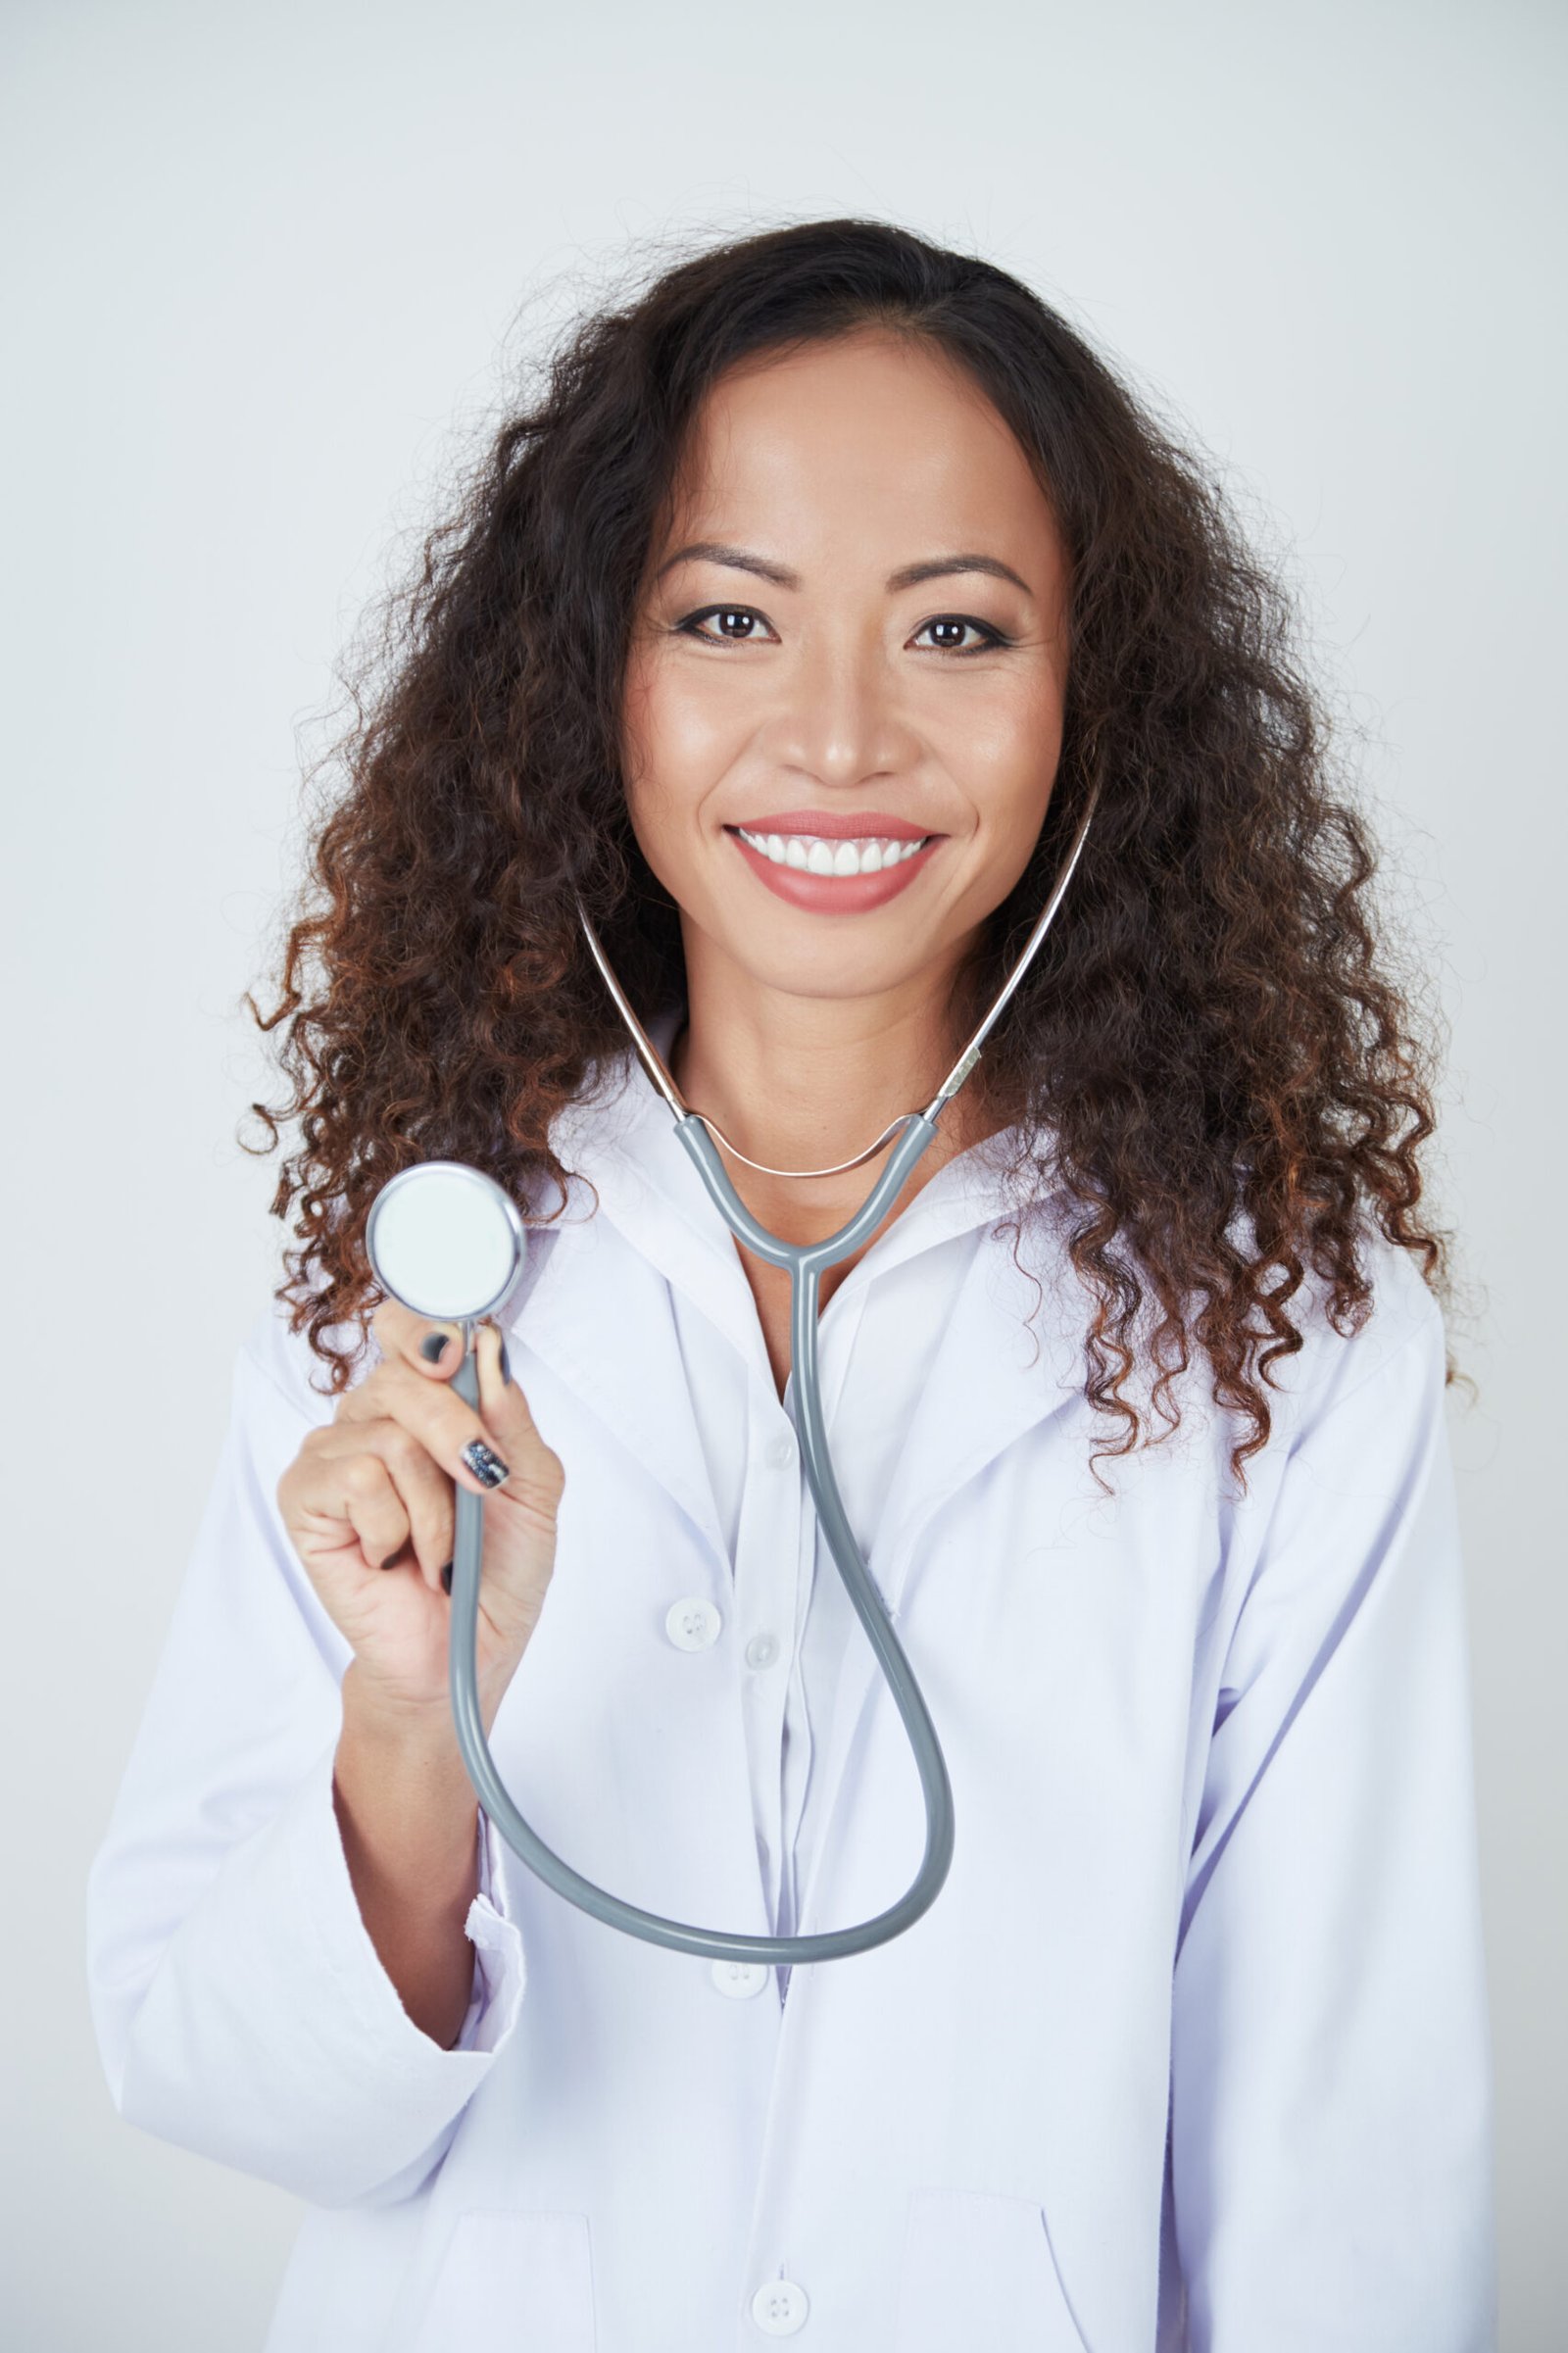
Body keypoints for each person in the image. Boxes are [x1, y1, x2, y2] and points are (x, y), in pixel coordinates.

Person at [85, 219, 1494, 2352]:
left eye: (954, 628)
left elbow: (1338, 2169)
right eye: (726, 614)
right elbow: (218, 2074)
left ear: (1084, 700)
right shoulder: (417, 1291)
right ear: (595, 681)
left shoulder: (1274, 1335)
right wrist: (410, 1722)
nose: (836, 735)